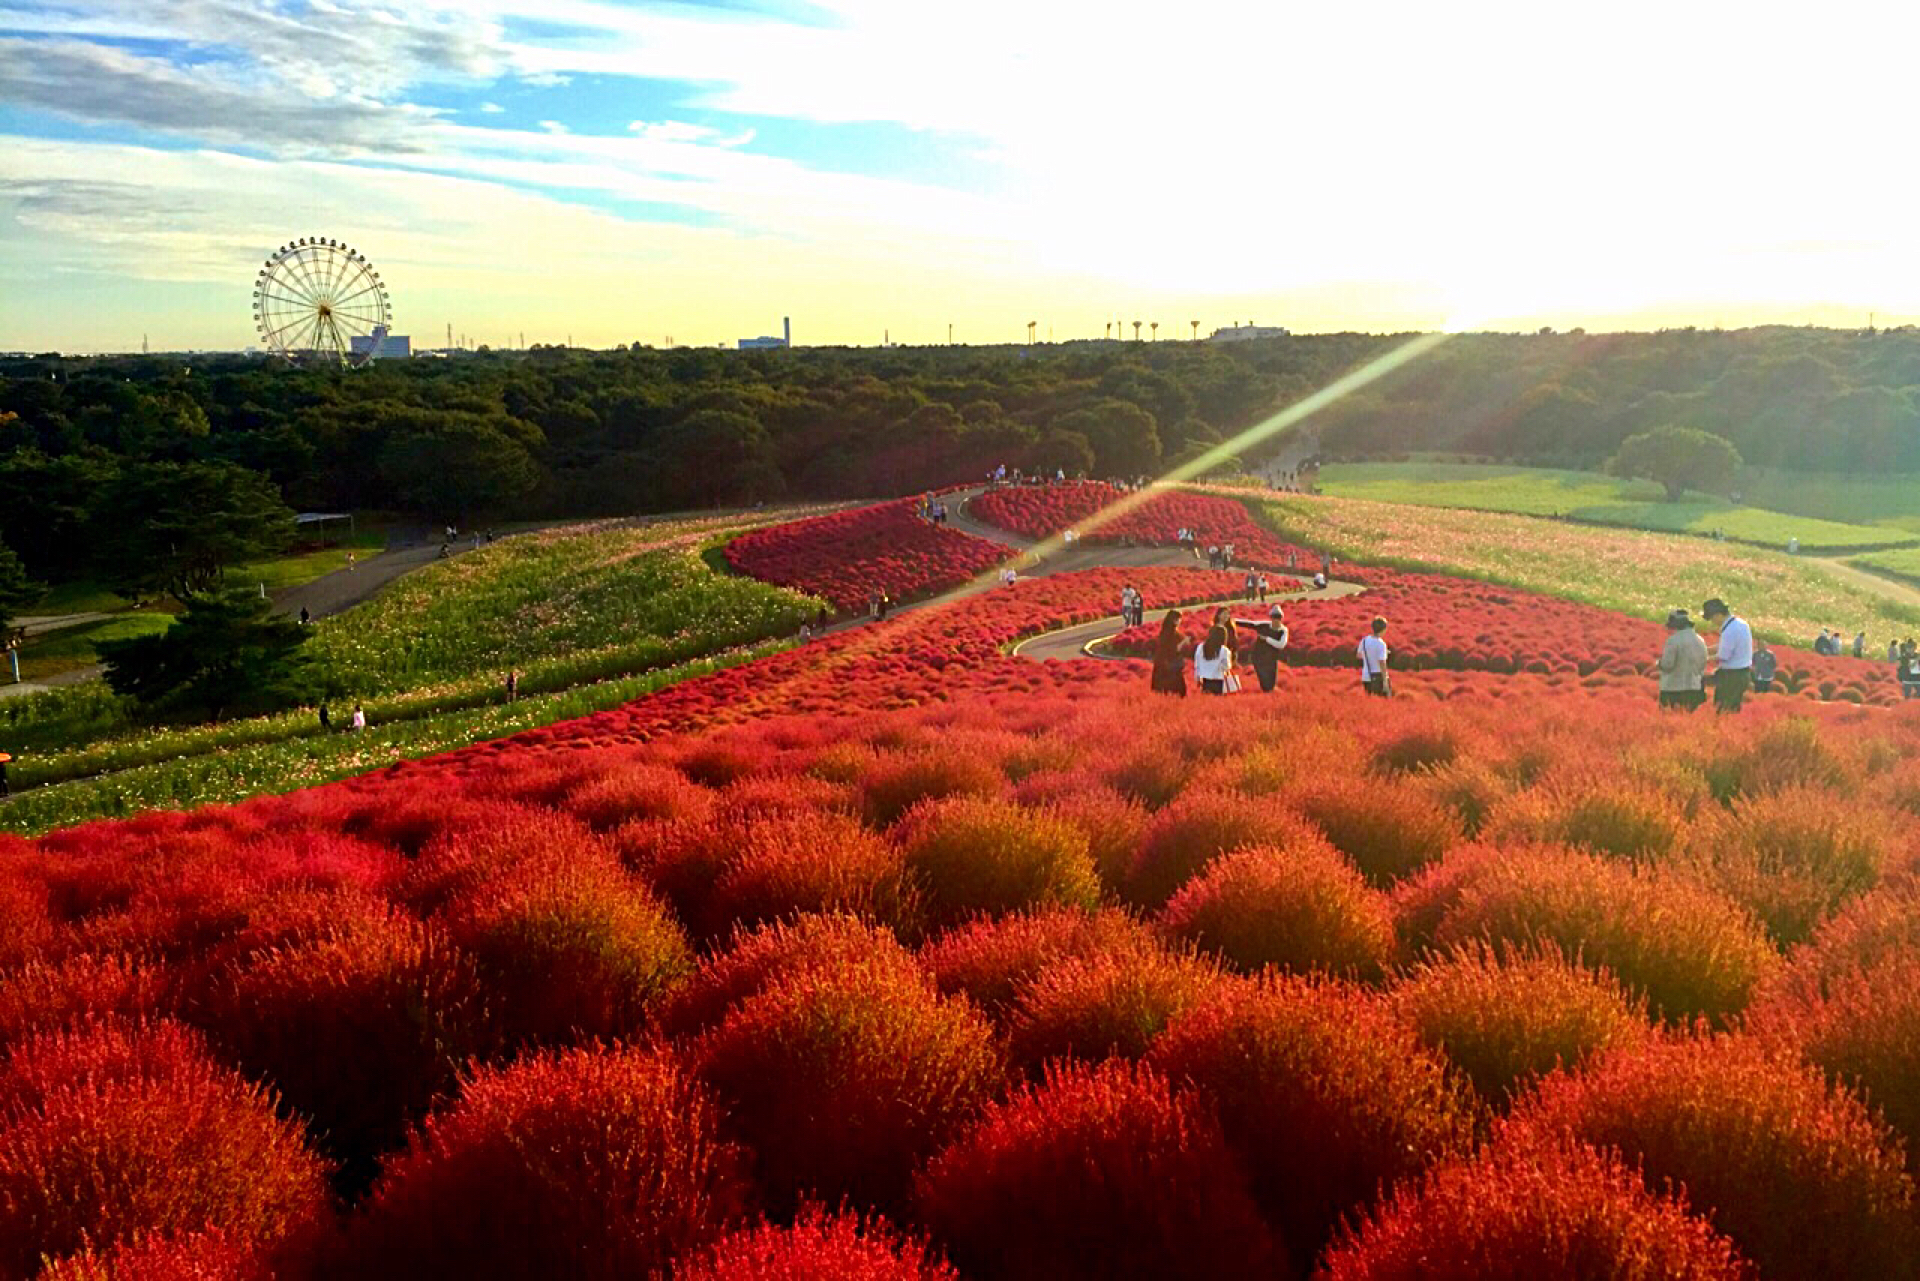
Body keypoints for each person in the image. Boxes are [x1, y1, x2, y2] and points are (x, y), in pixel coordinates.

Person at [1701, 597, 1751, 713]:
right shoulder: (1741, 624)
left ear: (1718, 615)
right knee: (1733, 709)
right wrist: (1705, 650)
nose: (1712, 622)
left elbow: (1723, 655)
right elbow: (1726, 646)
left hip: (1731, 677)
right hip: (1743, 674)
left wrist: (1703, 659)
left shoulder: (1729, 630)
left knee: (1723, 710)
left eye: (1712, 618)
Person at [1657, 609, 1708, 710]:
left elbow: (1667, 665)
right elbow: (1703, 664)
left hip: (1673, 689)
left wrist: (1659, 663)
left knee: (1670, 718)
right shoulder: (1701, 641)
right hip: (1694, 688)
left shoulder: (1673, 641)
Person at [1235, 605, 1289, 693]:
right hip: (1258, 658)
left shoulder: (1283, 630)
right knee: (1265, 683)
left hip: (1271, 659)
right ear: (1271, 618)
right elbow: (1250, 624)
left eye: (1278, 618)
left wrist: (1266, 639)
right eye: (1274, 618)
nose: (1276, 621)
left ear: (1281, 619)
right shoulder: (1264, 625)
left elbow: (1281, 645)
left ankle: (1270, 697)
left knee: (1271, 683)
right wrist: (1234, 621)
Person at [1150, 611, 1188, 696]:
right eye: (1179, 619)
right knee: (1176, 691)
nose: (1180, 621)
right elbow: (1174, 649)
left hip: (1163, 665)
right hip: (1170, 666)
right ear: (1174, 620)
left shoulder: (1165, 631)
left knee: (1164, 691)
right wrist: (1184, 642)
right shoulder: (1171, 633)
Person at [1193, 625, 1234, 694]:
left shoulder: (1201, 647)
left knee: (1206, 700)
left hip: (1205, 681)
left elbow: (1197, 664)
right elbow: (1227, 667)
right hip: (1218, 681)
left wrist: (1197, 677)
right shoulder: (1224, 650)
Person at [1358, 616, 1391, 696]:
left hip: (1366, 677)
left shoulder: (1364, 640)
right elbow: (1382, 663)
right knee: (1383, 703)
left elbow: (1359, 655)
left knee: (1370, 702)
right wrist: (1385, 681)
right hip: (1378, 678)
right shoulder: (1381, 644)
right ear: (1383, 629)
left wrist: (1370, 655)